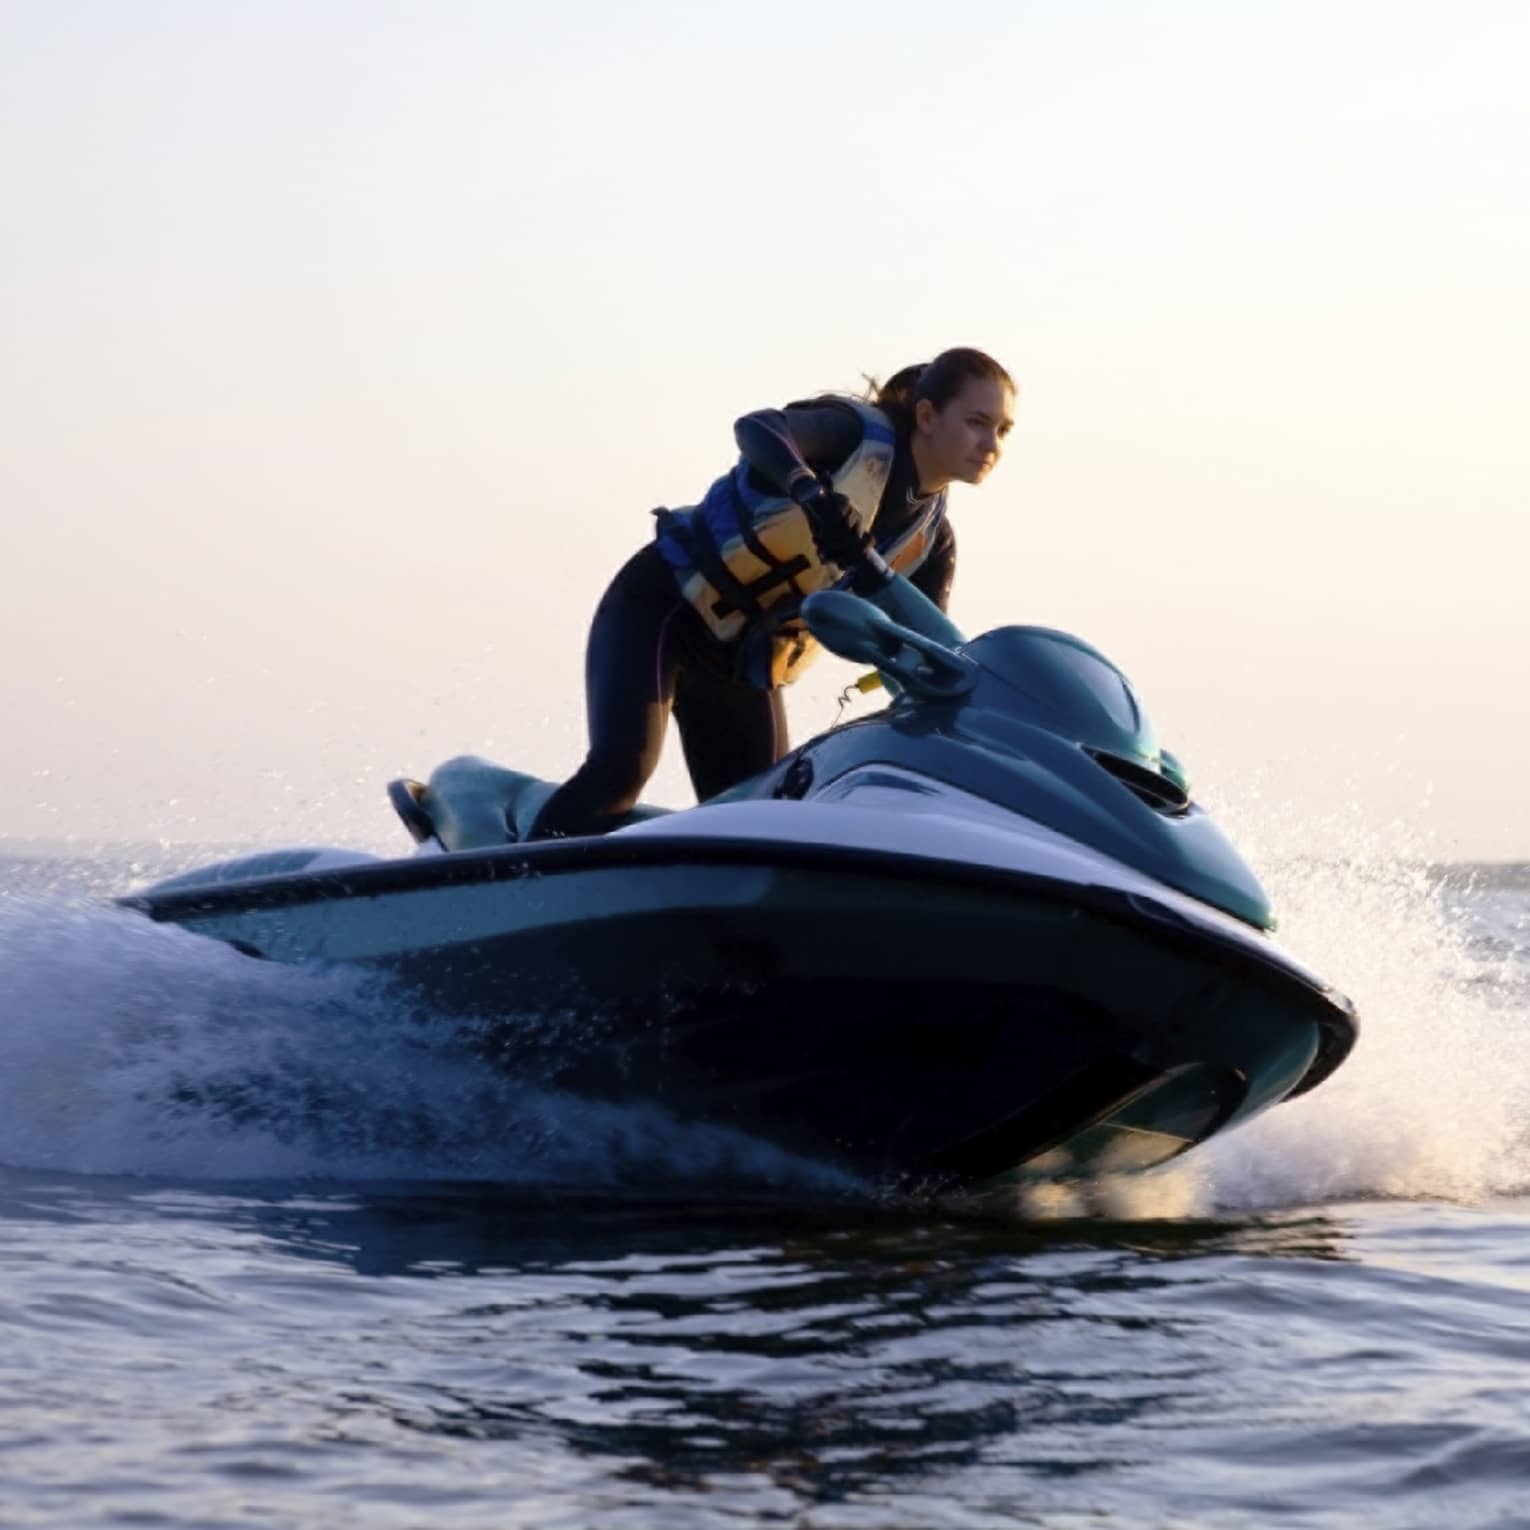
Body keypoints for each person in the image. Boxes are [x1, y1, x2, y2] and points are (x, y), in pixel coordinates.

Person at [528, 346, 1016, 840]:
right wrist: (810, 493)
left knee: (763, 824)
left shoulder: (930, 542)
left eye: (1002, 430)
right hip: (664, 608)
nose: (991, 443)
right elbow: (757, 427)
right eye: (977, 422)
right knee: (619, 772)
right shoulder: (853, 436)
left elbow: (925, 657)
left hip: (742, 664)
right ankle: (510, 886)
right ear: (927, 416)